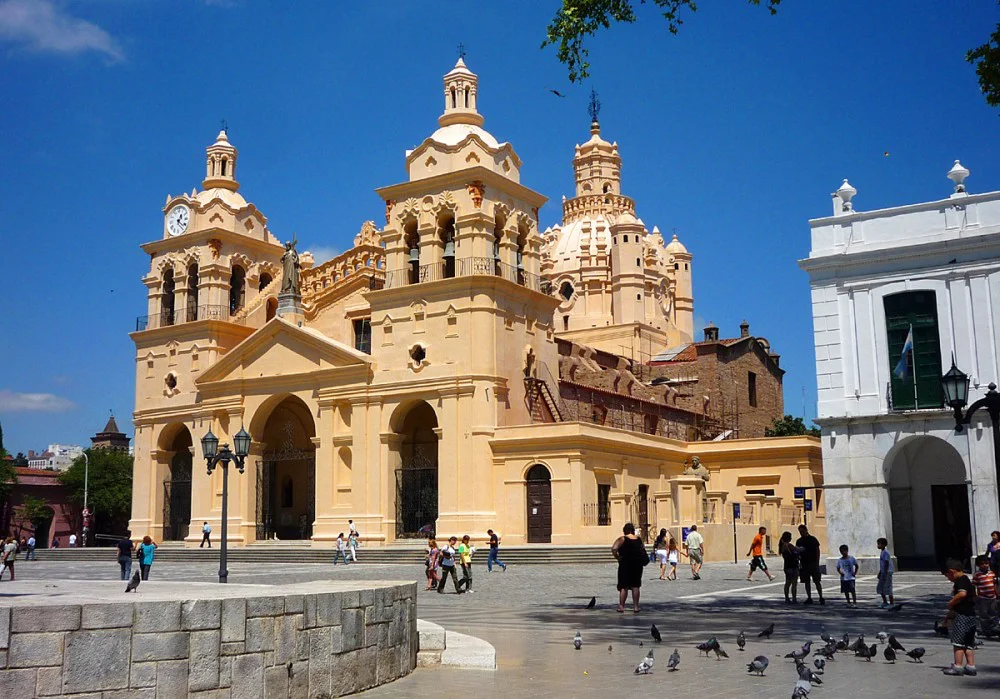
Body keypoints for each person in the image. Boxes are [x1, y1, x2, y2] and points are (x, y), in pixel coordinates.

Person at [942, 558, 977, 676]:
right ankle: (971, 666)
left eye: (948, 576)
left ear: (952, 572)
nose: (948, 579)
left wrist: (951, 602)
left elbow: (962, 594)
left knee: (958, 642)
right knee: (968, 642)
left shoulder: (961, 581)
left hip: (962, 615)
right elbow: (974, 596)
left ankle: (958, 666)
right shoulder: (967, 580)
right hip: (971, 615)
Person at [612, 522, 648, 613]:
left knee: (623, 586)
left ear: (624, 530)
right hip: (637, 565)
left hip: (625, 565)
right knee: (635, 586)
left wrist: (617, 557)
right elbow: (643, 549)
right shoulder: (639, 540)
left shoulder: (622, 539)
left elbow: (614, 548)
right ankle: (636, 607)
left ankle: (621, 606)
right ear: (633, 530)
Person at [796, 524, 825, 605]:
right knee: (806, 582)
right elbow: (797, 551)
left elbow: (817, 550)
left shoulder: (813, 539)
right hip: (804, 563)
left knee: (817, 581)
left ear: (806, 530)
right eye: (800, 532)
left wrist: (817, 562)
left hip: (813, 563)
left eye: (802, 531)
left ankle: (821, 597)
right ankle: (809, 597)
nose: (801, 533)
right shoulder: (799, 541)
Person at [972, 554, 998, 634]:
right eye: (982, 564)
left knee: (993, 612)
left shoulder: (991, 573)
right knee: (984, 614)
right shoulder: (977, 575)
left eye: (986, 563)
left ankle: (994, 627)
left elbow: (995, 584)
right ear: (978, 565)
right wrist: (975, 595)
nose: (984, 565)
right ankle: (985, 629)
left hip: (993, 597)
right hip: (983, 598)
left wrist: (997, 593)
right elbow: (974, 586)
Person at [779, 531, 799, 603]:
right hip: (793, 565)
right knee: (794, 583)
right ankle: (794, 598)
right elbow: (796, 552)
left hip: (787, 566)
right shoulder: (789, 545)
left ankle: (787, 598)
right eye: (790, 537)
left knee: (787, 582)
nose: (791, 538)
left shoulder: (782, 546)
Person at [876, 537, 894, 608]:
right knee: (880, 587)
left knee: (888, 587)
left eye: (879, 544)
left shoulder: (886, 552)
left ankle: (891, 603)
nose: (878, 545)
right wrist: (880, 572)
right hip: (883, 572)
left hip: (887, 572)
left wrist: (885, 573)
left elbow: (886, 563)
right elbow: (882, 564)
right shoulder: (882, 552)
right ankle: (885, 602)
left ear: (883, 544)